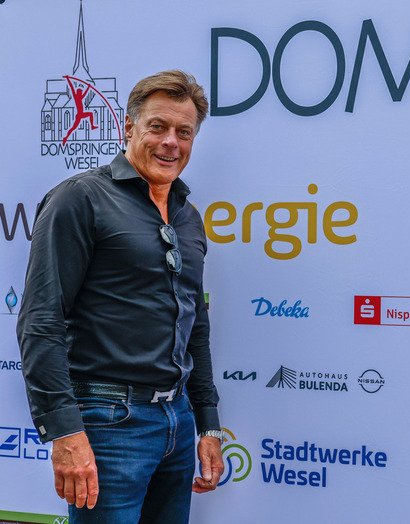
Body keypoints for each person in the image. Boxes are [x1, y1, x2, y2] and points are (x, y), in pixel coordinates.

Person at [17, 70, 224, 523]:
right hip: (108, 423)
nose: (171, 142)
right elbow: (41, 320)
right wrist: (64, 431)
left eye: (184, 132)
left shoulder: (188, 218)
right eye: (157, 127)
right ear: (129, 128)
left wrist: (208, 422)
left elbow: (196, 326)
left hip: (177, 420)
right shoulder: (80, 199)